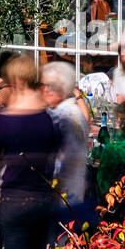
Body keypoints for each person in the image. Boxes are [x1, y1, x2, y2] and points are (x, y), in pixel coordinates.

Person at [0, 54, 61, 249]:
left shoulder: (4, 120)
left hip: (13, 199)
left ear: (15, 81)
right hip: (42, 199)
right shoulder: (47, 119)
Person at [40, 60, 90, 217]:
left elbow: (58, 162)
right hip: (73, 193)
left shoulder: (60, 116)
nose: (44, 89)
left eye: (49, 85)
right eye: (42, 85)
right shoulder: (73, 112)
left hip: (61, 196)